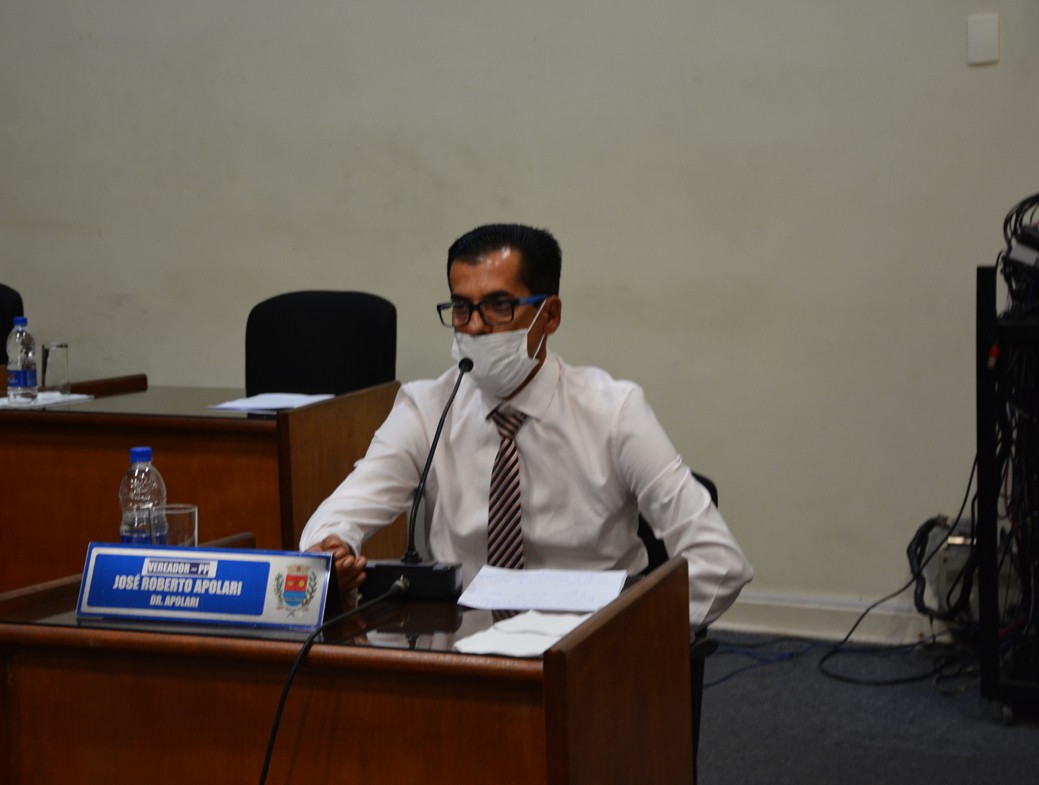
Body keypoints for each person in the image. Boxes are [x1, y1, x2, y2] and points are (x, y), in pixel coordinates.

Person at [301, 223, 752, 629]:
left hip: (586, 647)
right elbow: (341, 512)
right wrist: (331, 546)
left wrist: (627, 639)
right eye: (461, 308)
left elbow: (720, 564)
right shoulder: (427, 408)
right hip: (461, 650)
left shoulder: (614, 411)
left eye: (499, 306)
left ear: (549, 315)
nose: (475, 327)